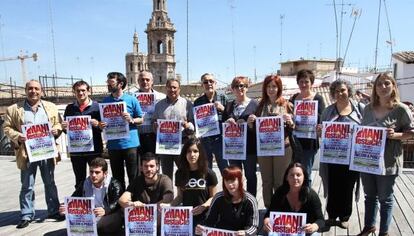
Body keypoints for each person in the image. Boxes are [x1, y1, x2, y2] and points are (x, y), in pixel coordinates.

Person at [357, 73, 414, 236]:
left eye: (387, 83)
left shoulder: (401, 109)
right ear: (375, 88)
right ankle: (369, 226)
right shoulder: (367, 108)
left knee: (385, 198)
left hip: (388, 161)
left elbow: (411, 133)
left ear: (393, 86)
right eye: (379, 84)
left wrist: (395, 135)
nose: (383, 87)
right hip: (367, 160)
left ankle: (384, 232)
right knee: (369, 196)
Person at [3, 80, 64, 229]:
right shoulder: (14, 109)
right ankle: (26, 215)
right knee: (27, 185)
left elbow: (58, 124)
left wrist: (56, 130)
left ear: (41, 91)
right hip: (27, 152)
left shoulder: (50, 107)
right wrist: (18, 136)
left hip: (46, 151)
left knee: (50, 182)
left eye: (36, 88)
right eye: (30, 88)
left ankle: (53, 211)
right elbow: (6, 128)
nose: (33, 91)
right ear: (25, 90)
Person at [318, 79, 362, 229]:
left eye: (343, 90)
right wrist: (319, 131)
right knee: (333, 186)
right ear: (333, 94)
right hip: (332, 157)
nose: (340, 93)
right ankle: (331, 215)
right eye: (336, 91)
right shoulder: (328, 111)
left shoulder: (360, 109)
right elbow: (321, 131)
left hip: (352, 157)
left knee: (348, 187)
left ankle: (344, 216)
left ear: (349, 91)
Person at [247, 74, 295, 208]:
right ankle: (269, 206)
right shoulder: (260, 105)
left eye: (274, 86)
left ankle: (280, 207)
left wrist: (290, 121)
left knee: (280, 181)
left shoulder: (287, 104)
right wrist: (250, 122)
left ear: (279, 88)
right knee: (267, 180)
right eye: (268, 86)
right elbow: (254, 128)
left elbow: (294, 126)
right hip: (264, 148)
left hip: (283, 148)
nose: (271, 89)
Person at [163, 137, 218, 233]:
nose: (192, 154)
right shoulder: (180, 173)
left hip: (205, 217)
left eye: (195, 151)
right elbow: (180, 196)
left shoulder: (209, 173)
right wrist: (169, 205)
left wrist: (204, 206)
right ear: (184, 154)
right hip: (187, 217)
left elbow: (213, 197)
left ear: (200, 153)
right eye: (188, 151)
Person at [58, 158, 124, 235]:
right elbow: (73, 199)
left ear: (105, 173)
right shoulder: (85, 183)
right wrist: (65, 207)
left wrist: (106, 210)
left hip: (109, 215)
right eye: (91, 172)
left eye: (97, 172)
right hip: (91, 217)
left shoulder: (114, 184)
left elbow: (118, 203)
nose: (93, 175)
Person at [100, 72, 143, 189]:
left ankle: (134, 201)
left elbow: (141, 119)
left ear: (120, 84)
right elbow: (101, 122)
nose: (108, 85)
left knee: (133, 175)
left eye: (111, 82)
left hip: (131, 144)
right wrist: (101, 124)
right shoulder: (105, 101)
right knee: (117, 178)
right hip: (114, 145)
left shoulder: (132, 99)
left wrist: (132, 120)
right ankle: (120, 203)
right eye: (107, 82)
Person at [118, 152, 174, 235]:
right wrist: (132, 204)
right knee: (125, 209)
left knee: (165, 209)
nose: (149, 169)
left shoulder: (164, 179)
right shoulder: (137, 181)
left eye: (152, 166)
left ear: (157, 167)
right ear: (141, 168)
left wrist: (152, 208)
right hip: (142, 219)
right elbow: (122, 200)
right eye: (145, 166)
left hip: (158, 217)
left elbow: (169, 197)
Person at [263, 163, 325, 236]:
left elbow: (321, 220)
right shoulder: (280, 193)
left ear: (304, 177)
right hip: (284, 231)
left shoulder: (311, 195)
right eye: (292, 175)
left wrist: (314, 226)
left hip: (305, 232)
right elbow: (269, 214)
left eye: (298, 175)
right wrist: (266, 221)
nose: (295, 178)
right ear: (287, 178)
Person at [195, 166, 259, 235]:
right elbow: (210, 221)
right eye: (227, 181)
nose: (230, 184)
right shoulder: (218, 198)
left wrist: (246, 233)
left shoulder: (250, 200)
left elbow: (254, 226)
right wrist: (202, 229)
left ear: (240, 180)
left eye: (233, 180)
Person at [152, 77, 194, 181]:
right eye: (170, 87)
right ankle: (168, 196)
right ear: (166, 88)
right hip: (164, 145)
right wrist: (155, 126)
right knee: (166, 175)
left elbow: (193, 124)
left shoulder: (187, 104)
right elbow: (154, 122)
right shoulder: (159, 105)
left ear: (179, 89)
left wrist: (187, 125)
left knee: (184, 172)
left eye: (175, 87)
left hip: (182, 143)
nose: (172, 90)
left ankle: (184, 195)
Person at [62, 80, 103, 189]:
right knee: (79, 180)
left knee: (97, 177)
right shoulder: (69, 108)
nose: (80, 93)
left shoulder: (97, 106)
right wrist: (64, 127)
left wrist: (98, 124)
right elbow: (67, 131)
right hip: (76, 151)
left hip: (94, 150)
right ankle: (82, 202)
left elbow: (104, 127)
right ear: (74, 92)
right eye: (78, 91)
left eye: (83, 90)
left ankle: (98, 201)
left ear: (88, 91)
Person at [222, 76, 259, 196]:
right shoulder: (228, 105)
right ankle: (236, 199)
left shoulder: (255, 104)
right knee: (234, 176)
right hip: (233, 148)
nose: (239, 88)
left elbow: (261, 127)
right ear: (232, 89)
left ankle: (251, 200)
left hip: (250, 147)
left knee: (250, 175)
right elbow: (222, 125)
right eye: (236, 86)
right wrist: (227, 122)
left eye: (242, 85)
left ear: (247, 88)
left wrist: (254, 121)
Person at [289, 69, 326, 185]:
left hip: (309, 142)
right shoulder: (293, 98)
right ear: (297, 83)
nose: (303, 84)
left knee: (306, 173)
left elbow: (322, 119)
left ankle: (306, 200)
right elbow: (289, 117)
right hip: (294, 141)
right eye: (301, 82)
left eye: (306, 81)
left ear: (312, 83)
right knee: (294, 172)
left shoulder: (318, 99)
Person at [193, 73, 228, 174]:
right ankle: (208, 190)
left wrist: (223, 109)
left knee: (224, 169)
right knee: (206, 170)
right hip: (205, 140)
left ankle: (226, 190)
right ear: (202, 85)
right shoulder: (197, 102)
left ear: (215, 83)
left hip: (220, 139)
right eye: (205, 82)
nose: (209, 84)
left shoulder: (223, 98)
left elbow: (231, 117)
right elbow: (196, 122)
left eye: (211, 81)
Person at [129, 71, 166, 155]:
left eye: (147, 80)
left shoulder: (161, 97)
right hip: (137, 136)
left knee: (154, 163)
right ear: (138, 81)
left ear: (152, 81)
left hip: (155, 136)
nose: (145, 82)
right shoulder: (131, 97)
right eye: (142, 80)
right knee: (139, 164)